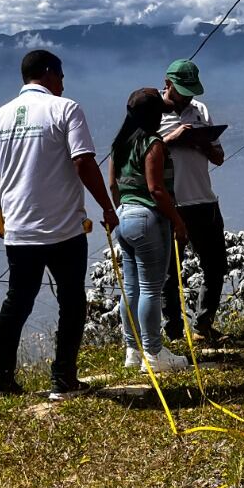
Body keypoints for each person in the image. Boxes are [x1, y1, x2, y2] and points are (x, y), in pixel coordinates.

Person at [0, 49, 117, 400]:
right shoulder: (66, 108)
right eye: (62, 75)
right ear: (50, 73)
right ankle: (64, 379)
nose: (64, 82)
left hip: (19, 229)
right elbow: (84, 162)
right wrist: (107, 206)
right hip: (63, 229)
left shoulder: (0, 117)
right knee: (71, 302)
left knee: (17, 302)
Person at [109, 87, 190, 373]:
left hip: (124, 217)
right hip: (148, 218)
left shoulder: (120, 143)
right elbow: (156, 188)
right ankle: (154, 353)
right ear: (154, 115)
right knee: (150, 289)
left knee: (130, 288)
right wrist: (178, 221)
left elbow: (113, 186)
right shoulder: (152, 143)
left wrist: (119, 212)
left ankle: (133, 350)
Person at [158, 58, 228, 343]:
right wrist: (173, 138)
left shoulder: (200, 110)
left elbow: (219, 157)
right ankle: (173, 332)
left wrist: (200, 141)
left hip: (204, 200)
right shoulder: (153, 113)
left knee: (215, 264)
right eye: (182, 90)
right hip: (172, 203)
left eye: (191, 91)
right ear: (167, 84)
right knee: (170, 272)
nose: (187, 96)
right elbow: (140, 156)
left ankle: (202, 325)